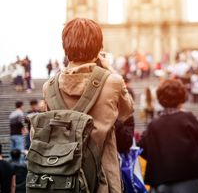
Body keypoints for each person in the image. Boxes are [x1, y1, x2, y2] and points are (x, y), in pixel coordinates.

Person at [42, 17, 134, 193]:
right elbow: (127, 111)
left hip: (61, 179)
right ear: (99, 48)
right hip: (102, 181)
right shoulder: (112, 82)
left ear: (65, 47)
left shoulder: (49, 87)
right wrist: (110, 70)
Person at [139, 78, 198, 192]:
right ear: (182, 98)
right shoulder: (187, 118)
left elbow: (142, 147)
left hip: (161, 180)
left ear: (160, 99)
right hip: (189, 176)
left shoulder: (154, 124)